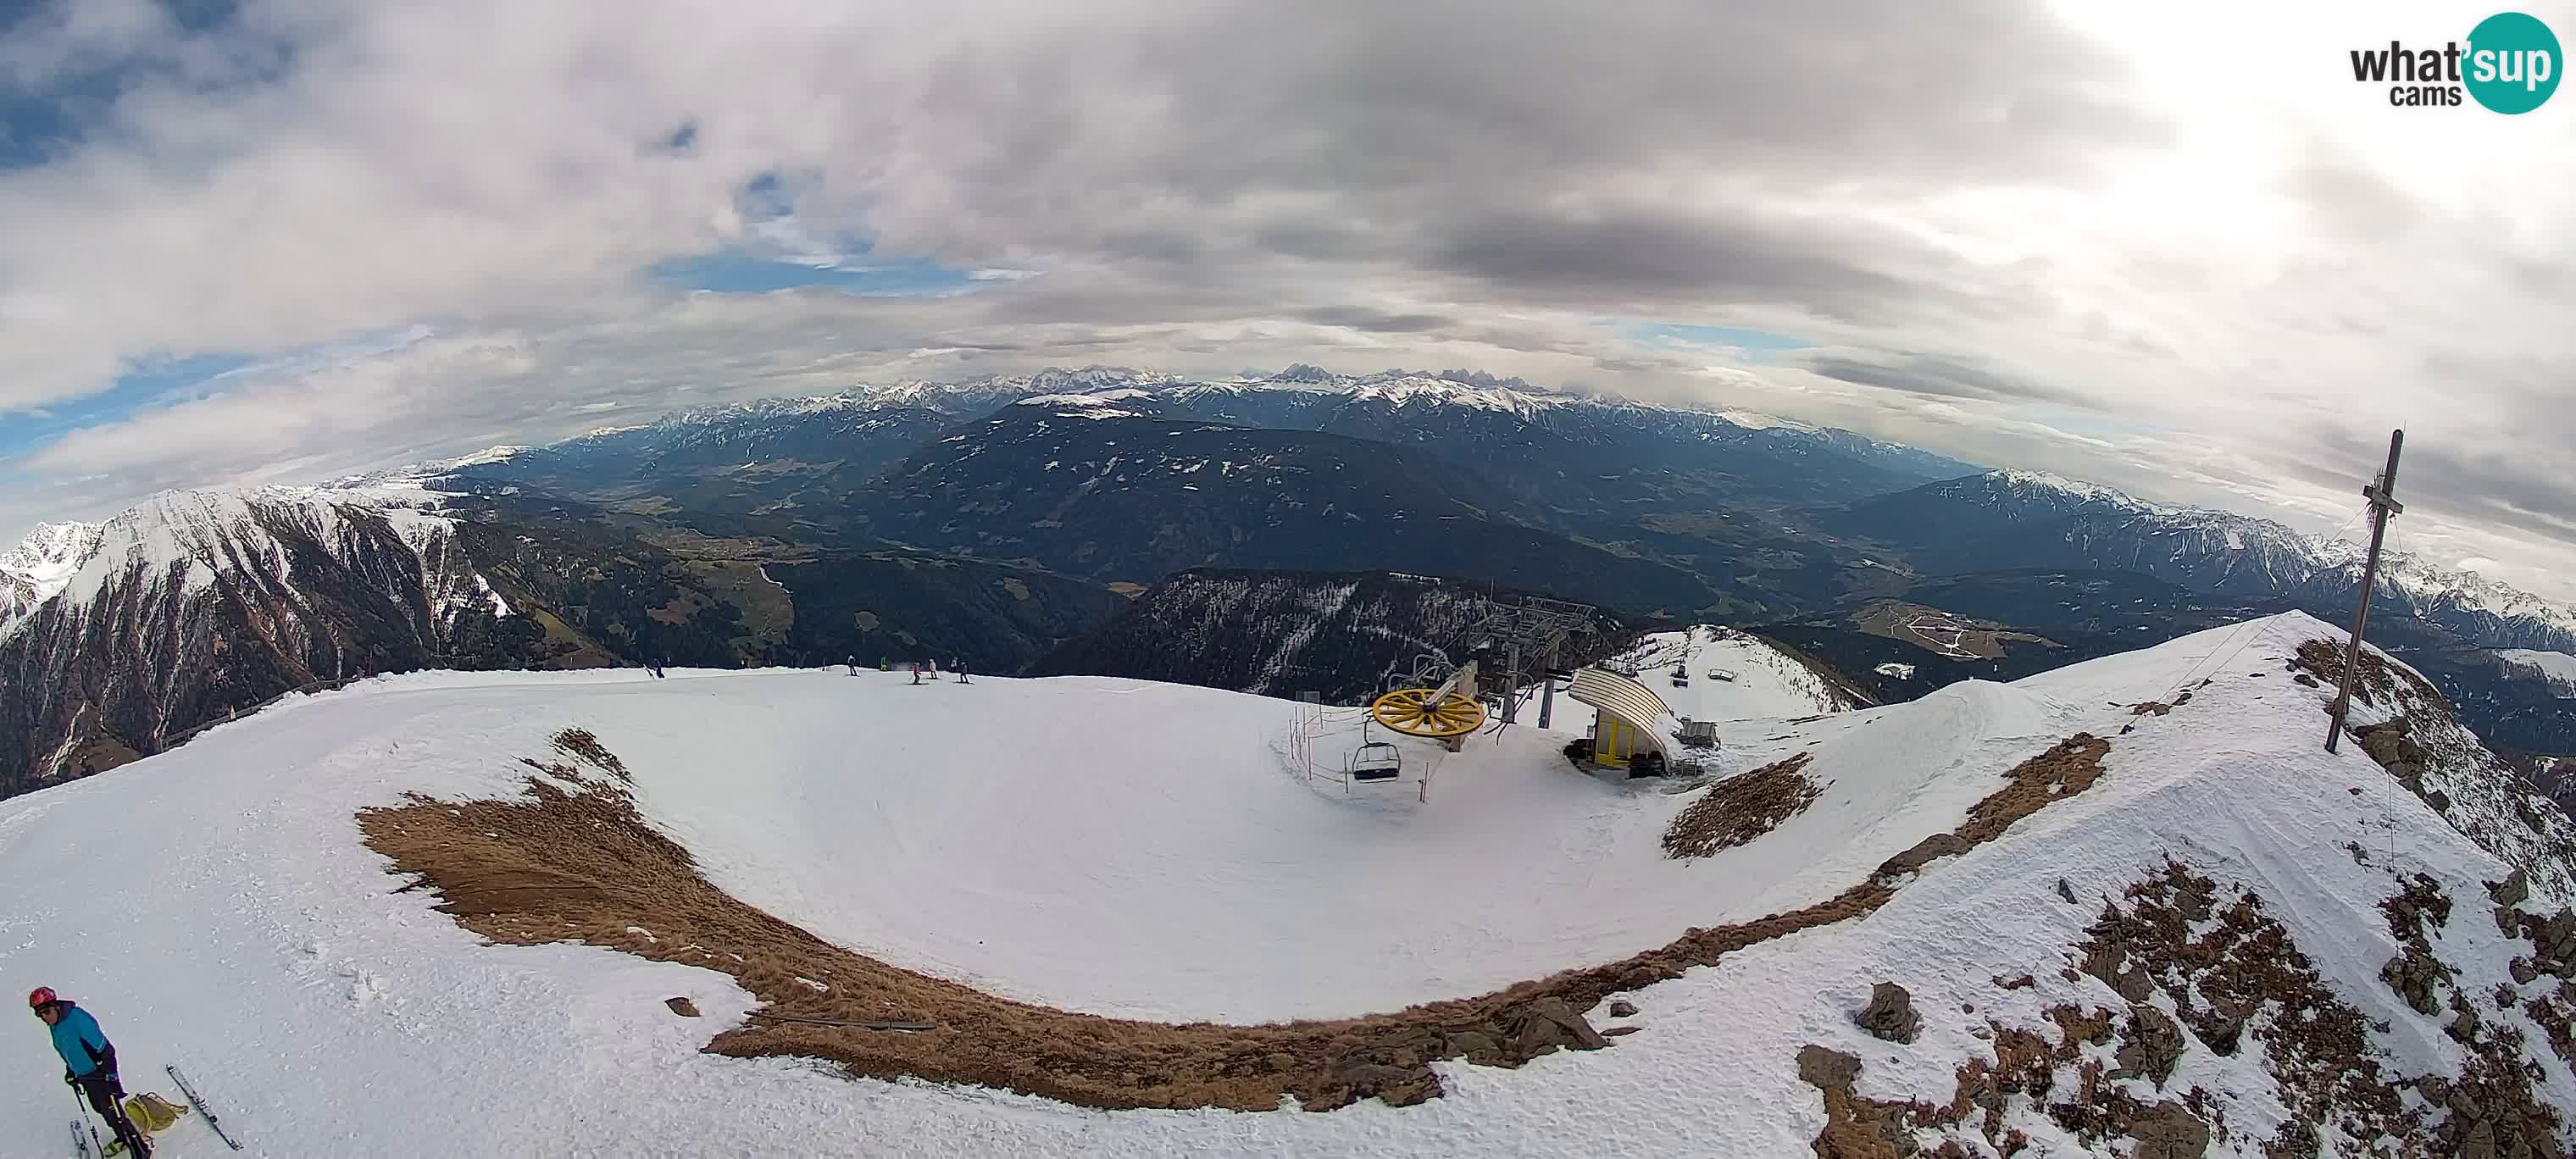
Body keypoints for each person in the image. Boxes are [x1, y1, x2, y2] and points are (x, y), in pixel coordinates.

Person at [31, 988, 151, 1157]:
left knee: (115, 1114)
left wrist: (111, 1078)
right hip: (86, 1076)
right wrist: (71, 1070)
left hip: (101, 1074)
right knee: (101, 1110)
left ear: (56, 1006)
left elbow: (107, 1051)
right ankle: (123, 1139)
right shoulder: (55, 1024)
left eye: (46, 1012)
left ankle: (141, 1151)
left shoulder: (78, 1019)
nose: (44, 1018)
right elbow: (70, 1049)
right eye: (39, 1014)